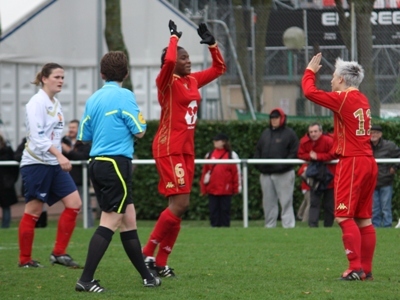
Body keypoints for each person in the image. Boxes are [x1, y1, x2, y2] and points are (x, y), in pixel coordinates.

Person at [141, 20, 226, 277]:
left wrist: (212, 44)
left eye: (189, 57)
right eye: (184, 58)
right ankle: (146, 254)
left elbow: (220, 69)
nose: (188, 61)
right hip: (169, 148)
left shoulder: (191, 81)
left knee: (180, 206)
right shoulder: (166, 81)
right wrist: (173, 39)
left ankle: (161, 261)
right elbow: (167, 63)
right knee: (180, 204)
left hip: (186, 150)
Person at [75, 51, 160, 292]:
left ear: (102, 74)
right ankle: (85, 279)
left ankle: (147, 277)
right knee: (111, 221)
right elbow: (140, 130)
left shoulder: (93, 98)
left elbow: (84, 135)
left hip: (97, 163)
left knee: (128, 220)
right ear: (126, 73)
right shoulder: (125, 96)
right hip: (116, 165)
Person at [302, 53, 378, 281]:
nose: (332, 82)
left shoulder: (344, 99)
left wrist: (309, 72)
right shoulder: (362, 99)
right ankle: (366, 269)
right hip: (368, 161)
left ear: (343, 80)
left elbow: (309, 93)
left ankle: (355, 267)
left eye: (334, 77)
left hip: (352, 161)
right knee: (364, 219)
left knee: (343, 216)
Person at [18, 63, 82, 268]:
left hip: (53, 163)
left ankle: (59, 253)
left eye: (63, 77)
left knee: (75, 203)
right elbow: (37, 139)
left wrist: (60, 155)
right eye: (57, 77)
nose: (61, 81)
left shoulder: (55, 103)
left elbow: (53, 136)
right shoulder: (35, 103)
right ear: (44, 78)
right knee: (34, 211)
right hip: (36, 164)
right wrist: (60, 155)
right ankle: (24, 260)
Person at [253, 108, 299, 228]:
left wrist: (283, 166)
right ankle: (269, 226)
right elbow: (258, 150)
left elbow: (294, 152)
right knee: (268, 203)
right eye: (272, 118)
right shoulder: (265, 133)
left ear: (282, 118)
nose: (274, 120)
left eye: (276, 118)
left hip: (284, 174)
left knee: (286, 202)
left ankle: (288, 226)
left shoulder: (290, 134)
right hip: (266, 174)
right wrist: (259, 166)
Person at [297, 122, 336, 228]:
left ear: (321, 132)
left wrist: (318, 156)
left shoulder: (328, 141)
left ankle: (328, 227)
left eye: (315, 131)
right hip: (315, 178)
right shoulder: (304, 141)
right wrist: (311, 157)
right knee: (314, 203)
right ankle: (313, 226)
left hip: (329, 178)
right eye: (311, 132)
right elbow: (300, 154)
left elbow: (334, 154)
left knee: (329, 206)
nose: (313, 134)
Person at [200, 133, 240, 227]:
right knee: (213, 210)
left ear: (224, 142)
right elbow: (205, 172)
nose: (215, 142)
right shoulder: (209, 155)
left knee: (225, 210)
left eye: (217, 140)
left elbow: (236, 173)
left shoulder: (231, 155)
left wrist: (236, 188)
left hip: (226, 190)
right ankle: (214, 228)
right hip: (212, 189)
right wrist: (203, 188)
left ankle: (225, 228)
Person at [62, 119, 94, 228]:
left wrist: (69, 151)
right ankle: (68, 227)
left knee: (86, 206)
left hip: (82, 179)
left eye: (73, 127)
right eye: (70, 127)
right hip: (67, 179)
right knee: (69, 206)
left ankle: (89, 226)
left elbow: (84, 156)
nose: (70, 130)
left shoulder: (85, 142)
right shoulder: (63, 141)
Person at [370, 124, 400, 228]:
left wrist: (394, 168)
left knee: (386, 208)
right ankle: (375, 227)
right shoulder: (365, 146)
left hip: (386, 181)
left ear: (381, 134)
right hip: (371, 182)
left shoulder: (390, 146)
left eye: (376, 133)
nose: (373, 135)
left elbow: (399, 156)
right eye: (371, 132)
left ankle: (387, 226)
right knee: (374, 208)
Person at [0, 135, 19, 228]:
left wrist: (11, 180)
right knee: (6, 206)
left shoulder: (7, 151)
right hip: (6, 182)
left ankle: (5, 226)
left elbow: (15, 168)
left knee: (6, 206)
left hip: (5, 183)